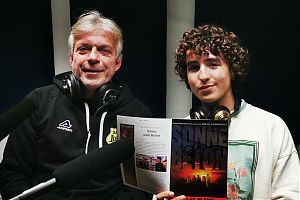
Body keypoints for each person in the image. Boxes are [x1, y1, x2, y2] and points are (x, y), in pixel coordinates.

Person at [0, 10, 185, 200]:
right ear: (71, 58)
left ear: (118, 62)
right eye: (84, 49)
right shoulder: (37, 102)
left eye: (104, 50)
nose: (93, 57)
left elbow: (143, 187)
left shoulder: (137, 113)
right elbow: (12, 173)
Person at [174, 24, 299, 199]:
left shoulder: (272, 127)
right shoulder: (178, 134)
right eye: (194, 67)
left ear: (232, 70)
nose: (202, 76)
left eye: (213, 64)